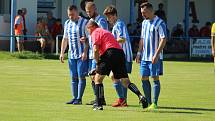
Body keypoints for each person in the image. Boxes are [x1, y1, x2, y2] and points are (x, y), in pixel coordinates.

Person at [86, 20, 147, 110]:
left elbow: (95, 49)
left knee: (97, 79)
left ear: (91, 27)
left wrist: (97, 62)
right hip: (120, 53)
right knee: (125, 81)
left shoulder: (95, 32)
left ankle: (99, 104)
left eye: (88, 30)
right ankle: (141, 96)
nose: (89, 32)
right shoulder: (106, 32)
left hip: (109, 53)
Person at [135, 2, 167, 111]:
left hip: (154, 57)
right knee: (144, 78)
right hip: (145, 57)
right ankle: (148, 103)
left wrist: (156, 54)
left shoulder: (160, 23)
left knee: (155, 78)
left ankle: (155, 103)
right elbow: (142, 39)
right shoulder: (144, 23)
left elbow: (163, 39)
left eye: (144, 12)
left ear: (151, 11)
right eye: (141, 13)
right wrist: (139, 53)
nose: (142, 15)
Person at [103, 5, 133, 107]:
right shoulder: (116, 25)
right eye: (107, 17)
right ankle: (123, 100)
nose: (108, 19)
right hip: (119, 57)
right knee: (121, 78)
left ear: (115, 15)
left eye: (109, 17)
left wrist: (111, 42)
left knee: (118, 77)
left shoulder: (119, 24)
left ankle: (123, 100)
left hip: (123, 56)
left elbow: (122, 38)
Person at [59, 5, 89, 105]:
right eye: (69, 15)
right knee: (73, 77)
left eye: (72, 14)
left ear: (77, 12)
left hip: (81, 55)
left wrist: (85, 51)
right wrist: (62, 53)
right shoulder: (67, 23)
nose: (70, 17)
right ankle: (74, 97)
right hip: (71, 55)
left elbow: (89, 38)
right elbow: (65, 39)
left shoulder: (85, 22)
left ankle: (79, 98)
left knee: (81, 76)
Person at [85, 1, 108, 105]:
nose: (88, 13)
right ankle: (98, 98)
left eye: (90, 11)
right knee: (92, 76)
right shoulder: (90, 21)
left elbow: (104, 36)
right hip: (91, 53)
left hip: (99, 53)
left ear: (94, 9)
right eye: (87, 11)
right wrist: (85, 39)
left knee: (96, 77)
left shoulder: (101, 21)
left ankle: (100, 99)